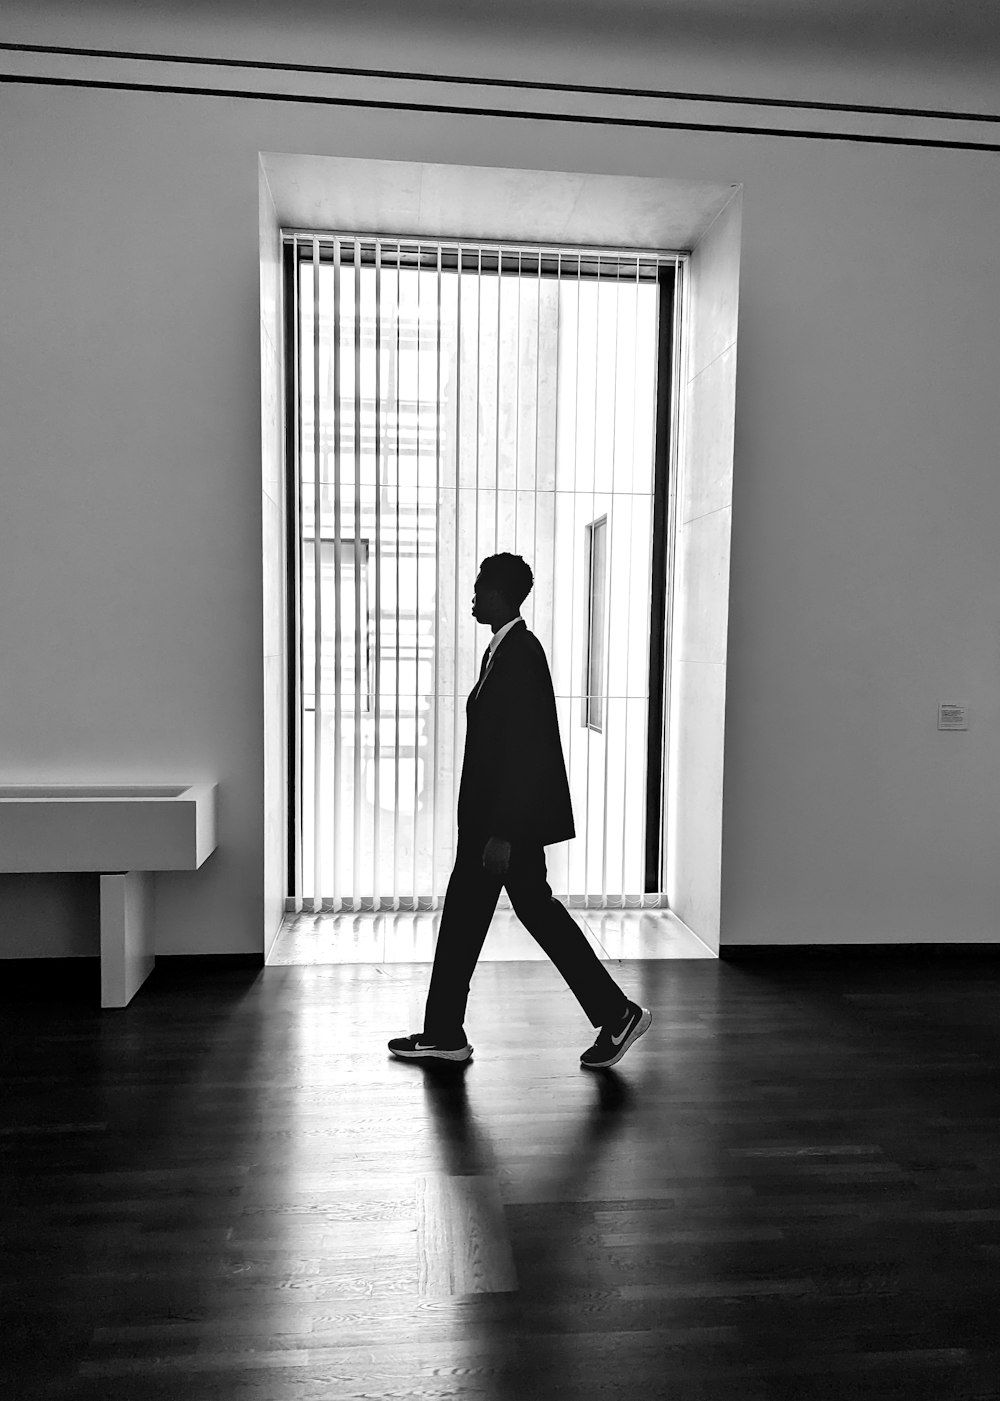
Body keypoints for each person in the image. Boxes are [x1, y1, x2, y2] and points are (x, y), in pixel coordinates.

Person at [388, 552, 651, 1070]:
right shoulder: (503, 650)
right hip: (493, 824)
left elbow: (525, 752)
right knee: (483, 918)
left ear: (501, 593)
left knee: (518, 915)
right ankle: (447, 1030)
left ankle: (615, 1013)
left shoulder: (521, 654)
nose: (472, 595)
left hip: (503, 827)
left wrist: (503, 832)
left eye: (480, 586)